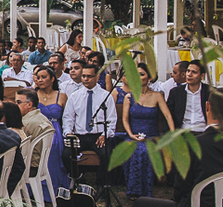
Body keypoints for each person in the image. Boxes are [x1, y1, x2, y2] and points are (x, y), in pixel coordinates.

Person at [122, 63, 175, 198]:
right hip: (133, 135)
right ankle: (133, 190)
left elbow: (168, 116)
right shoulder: (129, 97)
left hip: (151, 136)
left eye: (142, 74)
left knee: (145, 150)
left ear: (149, 78)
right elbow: (125, 119)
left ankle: (145, 190)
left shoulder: (157, 96)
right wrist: (131, 135)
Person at [62, 65, 118, 187]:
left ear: (97, 77)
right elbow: (68, 118)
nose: (86, 79)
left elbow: (111, 119)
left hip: (98, 135)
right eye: (83, 76)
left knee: (106, 154)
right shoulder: (75, 96)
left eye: (89, 76)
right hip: (79, 136)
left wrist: (105, 134)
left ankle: (101, 184)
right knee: (66, 155)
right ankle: (79, 180)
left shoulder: (106, 96)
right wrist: (68, 133)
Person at [33, 65, 69, 195]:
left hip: (54, 129)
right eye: (38, 78)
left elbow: (67, 117)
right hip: (37, 129)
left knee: (53, 147)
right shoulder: (33, 95)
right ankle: (36, 189)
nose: (40, 80)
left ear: (52, 79)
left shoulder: (61, 96)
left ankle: (53, 188)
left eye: (44, 77)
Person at [167, 60, 210, 133]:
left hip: (204, 132)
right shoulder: (176, 92)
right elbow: (169, 115)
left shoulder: (210, 92)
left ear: (202, 76)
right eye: (188, 71)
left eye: (194, 72)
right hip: (183, 132)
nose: (189, 74)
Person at [16, 88, 52, 170]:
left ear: (29, 104)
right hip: (42, 165)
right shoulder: (43, 118)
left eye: (18, 102)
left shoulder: (25, 123)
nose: (15, 105)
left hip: (29, 167)